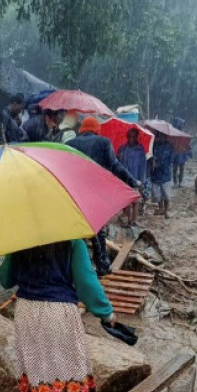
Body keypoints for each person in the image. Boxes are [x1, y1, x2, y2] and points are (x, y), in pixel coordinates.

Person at [0, 240, 117, 392]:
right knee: (77, 373)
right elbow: (86, 282)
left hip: (26, 312)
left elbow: (5, 280)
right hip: (58, 311)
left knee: (36, 371)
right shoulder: (72, 241)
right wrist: (106, 312)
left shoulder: (20, 238)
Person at [66, 117, 139, 275]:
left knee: (79, 233)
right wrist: (132, 181)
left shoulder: (70, 145)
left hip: (76, 194)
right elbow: (115, 165)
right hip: (95, 194)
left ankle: (80, 268)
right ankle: (102, 266)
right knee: (97, 230)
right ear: (96, 129)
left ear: (82, 130)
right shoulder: (104, 142)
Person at [118, 128, 147, 226]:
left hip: (136, 179)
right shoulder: (122, 149)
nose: (131, 139)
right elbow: (118, 164)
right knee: (127, 201)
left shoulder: (140, 150)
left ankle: (134, 220)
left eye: (133, 137)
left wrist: (141, 180)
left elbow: (142, 165)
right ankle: (128, 219)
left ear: (137, 137)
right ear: (127, 137)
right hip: (125, 178)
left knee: (135, 200)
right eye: (129, 136)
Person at [150, 132, 175, 217]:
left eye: (162, 136)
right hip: (155, 174)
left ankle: (166, 210)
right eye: (159, 136)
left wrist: (159, 164)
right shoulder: (154, 145)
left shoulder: (170, 147)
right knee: (157, 194)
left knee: (166, 194)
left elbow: (171, 160)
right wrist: (152, 161)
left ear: (165, 136)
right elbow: (150, 156)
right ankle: (160, 209)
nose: (161, 138)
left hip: (165, 174)